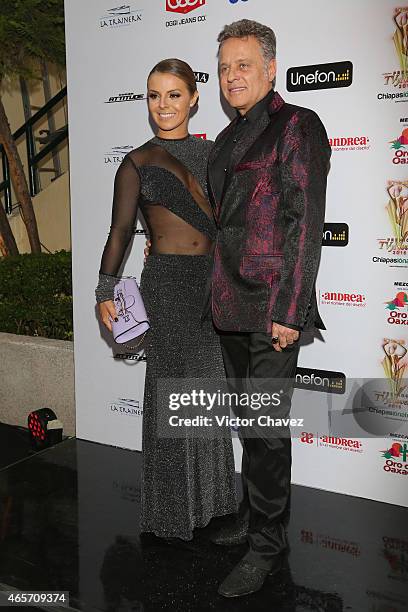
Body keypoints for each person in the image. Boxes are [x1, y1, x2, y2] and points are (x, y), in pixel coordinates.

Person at [207, 20, 331, 597]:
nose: (233, 76)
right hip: (228, 305)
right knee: (249, 429)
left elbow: (304, 223)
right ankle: (259, 523)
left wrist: (290, 309)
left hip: (271, 309)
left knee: (265, 429)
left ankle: (267, 547)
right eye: (225, 66)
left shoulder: (297, 126)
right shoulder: (227, 138)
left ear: (271, 68)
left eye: (244, 65)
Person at [95, 59, 237, 541]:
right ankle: (174, 512)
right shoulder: (135, 162)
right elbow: (119, 232)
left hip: (212, 288)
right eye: (154, 95)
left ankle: (215, 500)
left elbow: (235, 220)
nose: (163, 106)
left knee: (207, 395)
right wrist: (104, 289)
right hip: (167, 289)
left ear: (194, 98)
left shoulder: (217, 154)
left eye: (174, 95)